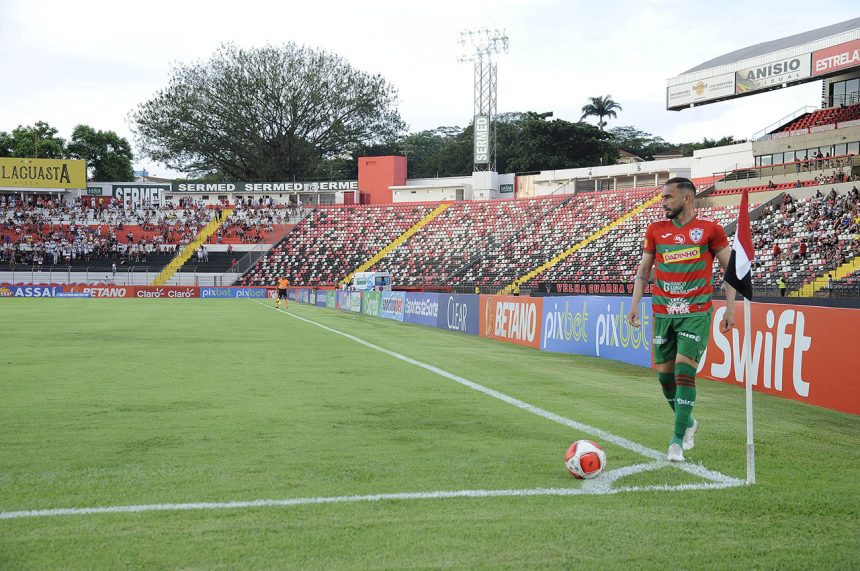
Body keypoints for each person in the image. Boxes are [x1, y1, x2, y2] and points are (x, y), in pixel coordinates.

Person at [627, 177, 737, 463]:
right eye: (662, 197)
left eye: (667, 197)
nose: (662, 202)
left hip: (696, 312)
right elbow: (643, 271)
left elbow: (732, 270)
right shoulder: (656, 230)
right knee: (665, 378)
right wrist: (635, 304)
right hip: (663, 313)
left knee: (683, 372)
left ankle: (676, 442)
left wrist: (730, 309)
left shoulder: (710, 231)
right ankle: (688, 422)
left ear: (687, 199)